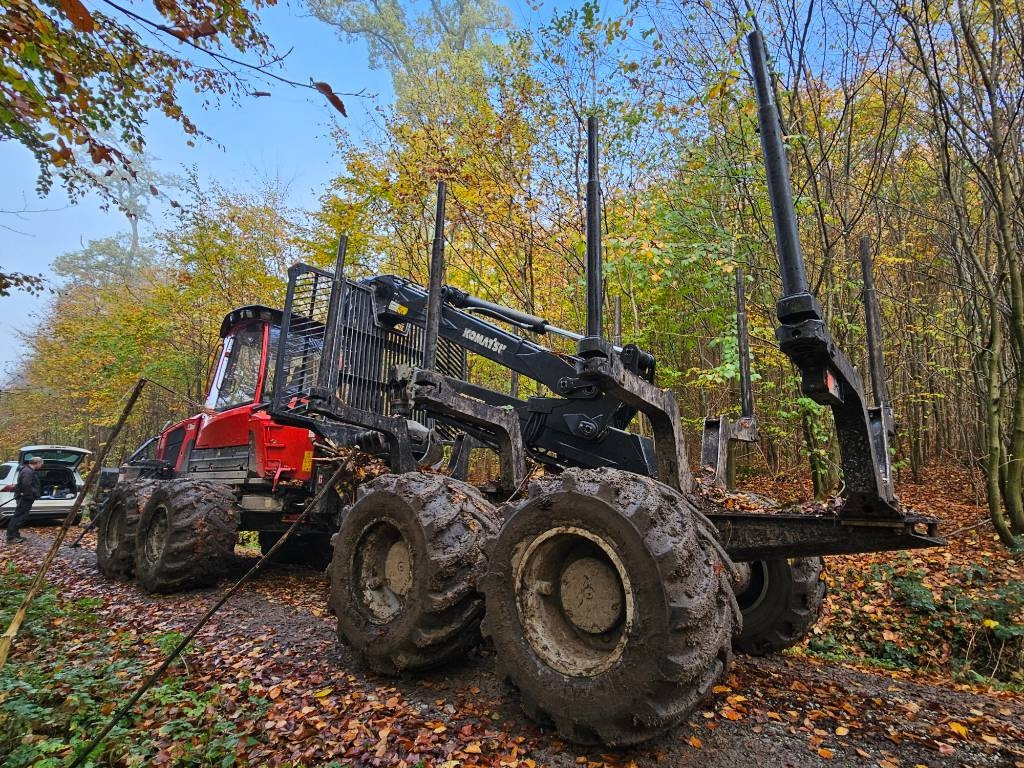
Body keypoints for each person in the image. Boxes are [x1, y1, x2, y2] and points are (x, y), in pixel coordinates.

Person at [7, 455, 43, 543]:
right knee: (19, 517)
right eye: (41, 463)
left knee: (20, 516)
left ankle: (15, 535)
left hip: (25, 497)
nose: (41, 465)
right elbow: (26, 485)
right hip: (25, 498)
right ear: (37, 463)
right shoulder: (28, 471)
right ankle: (11, 537)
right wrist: (29, 496)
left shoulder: (28, 470)